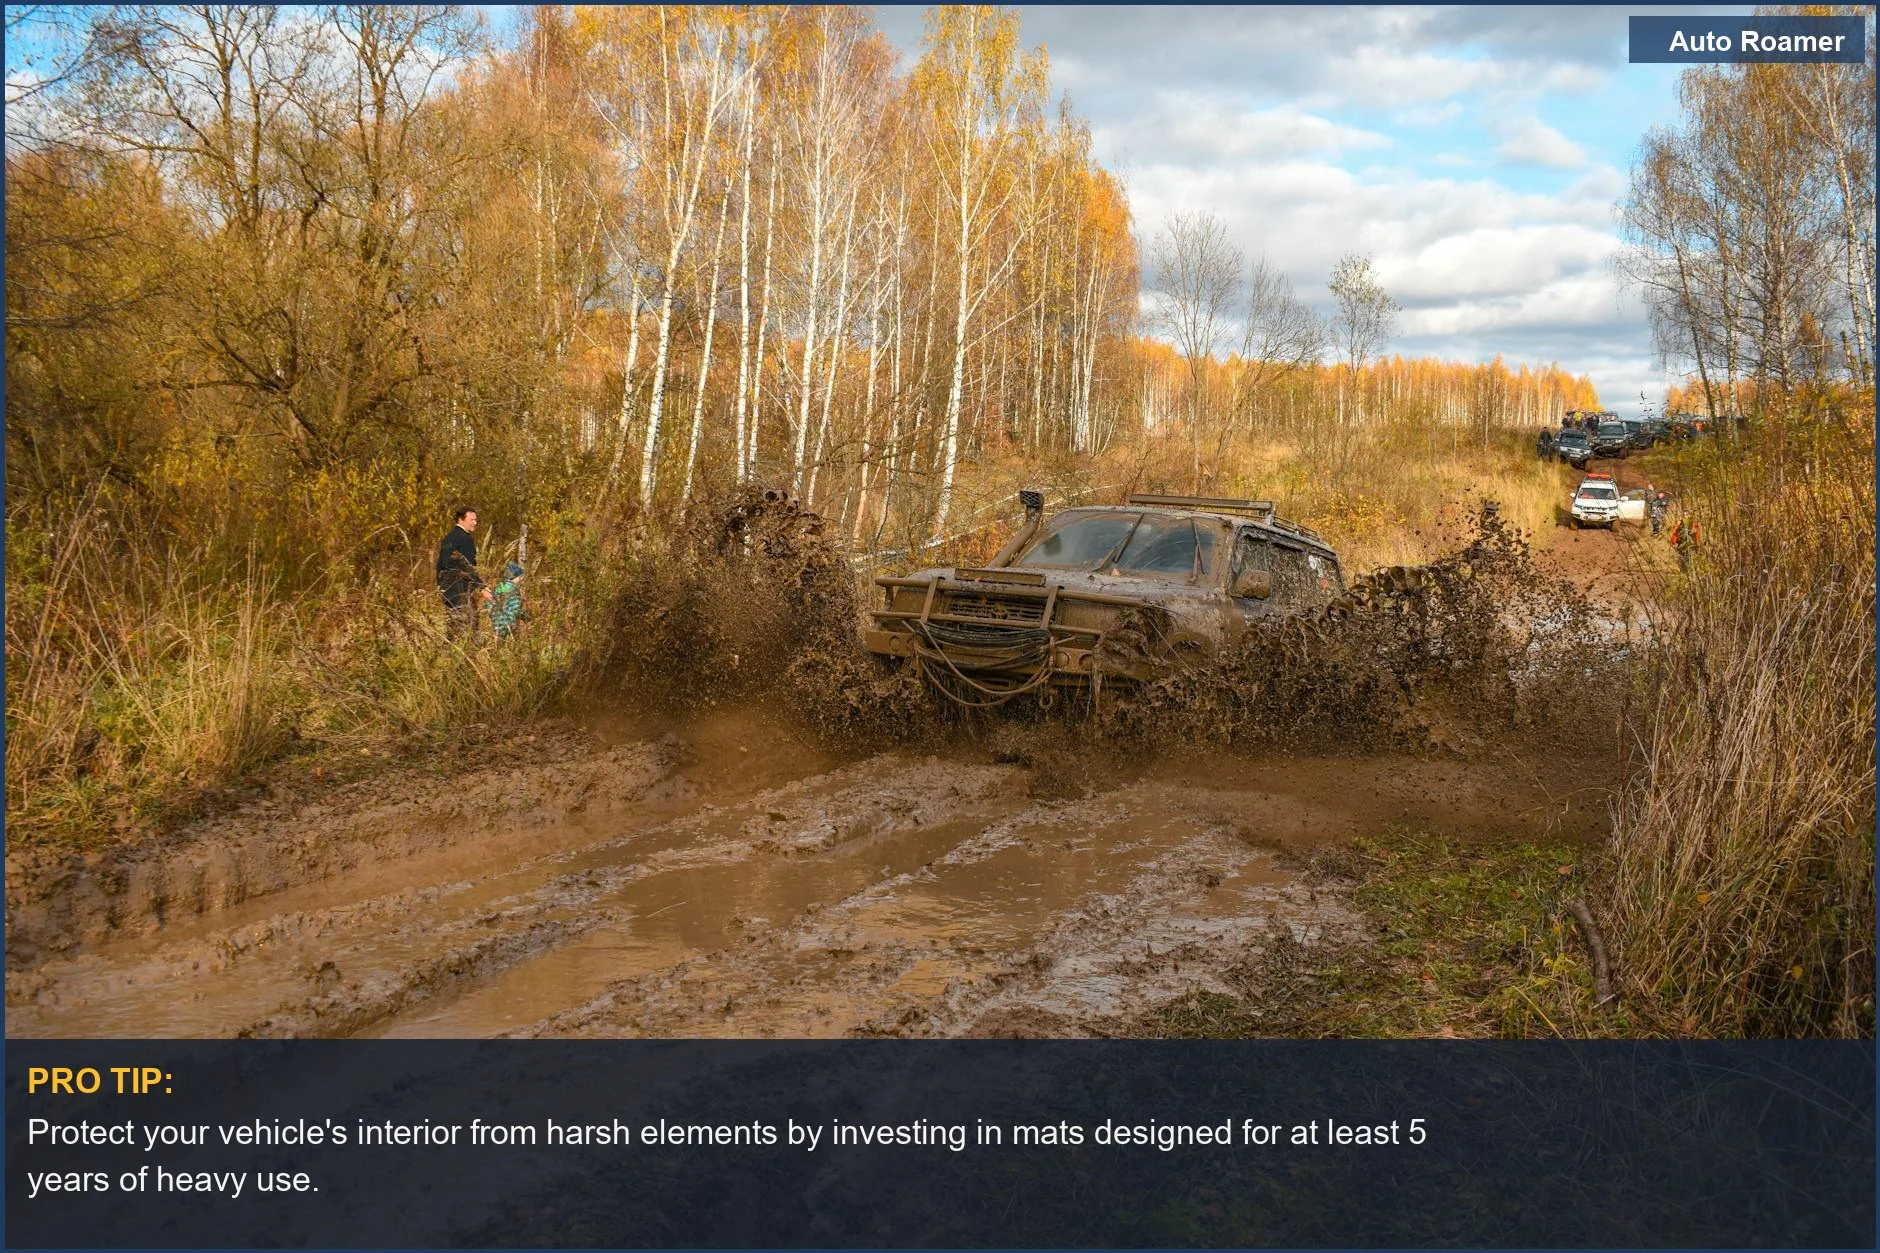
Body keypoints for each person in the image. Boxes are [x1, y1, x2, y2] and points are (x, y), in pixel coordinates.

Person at [436, 506, 491, 636]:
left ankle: (450, 653)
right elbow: (467, 566)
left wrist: (440, 585)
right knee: (470, 625)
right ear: (461, 519)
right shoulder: (465, 539)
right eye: (472, 520)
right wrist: (482, 587)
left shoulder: (448, 537)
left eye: (476, 520)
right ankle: (468, 654)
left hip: (447, 588)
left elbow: (441, 565)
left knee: (453, 625)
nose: (475, 523)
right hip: (460, 588)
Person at [489, 562, 530, 641]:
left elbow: (490, 604)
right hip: (508, 624)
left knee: (498, 644)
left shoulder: (498, 587)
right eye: (521, 577)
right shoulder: (512, 589)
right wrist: (526, 616)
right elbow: (515, 608)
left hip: (496, 623)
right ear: (517, 577)